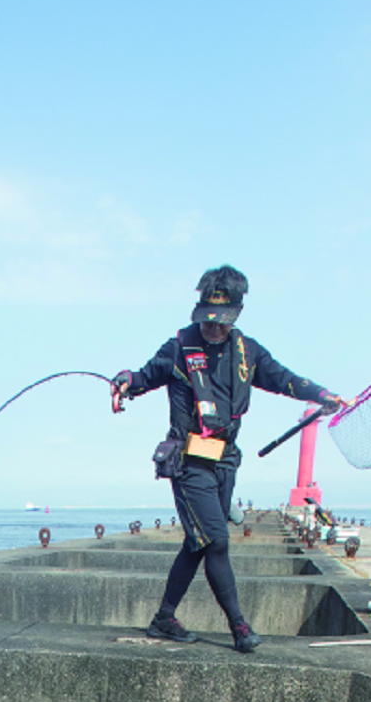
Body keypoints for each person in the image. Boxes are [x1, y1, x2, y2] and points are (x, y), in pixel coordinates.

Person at [112, 266, 342, 651]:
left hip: (225, 462)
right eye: (207, 320)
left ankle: (164, 618)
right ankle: (240, 627)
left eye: (221, 322)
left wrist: (321, 395)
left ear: (236, 314)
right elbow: (142, 376)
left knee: (197, 543)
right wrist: (124, 381)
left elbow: (285, 379)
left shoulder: (247, 352)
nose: (213, 328)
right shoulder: (178, 347)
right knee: (216, 541)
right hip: (188, 462)